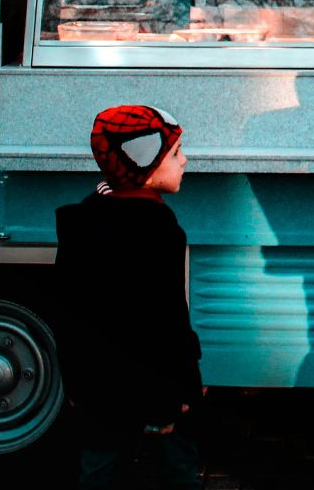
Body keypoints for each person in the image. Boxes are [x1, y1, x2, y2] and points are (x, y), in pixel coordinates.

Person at [54, 105, 203, 489]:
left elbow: (68, 313)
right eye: (175, 153)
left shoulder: (85, 218)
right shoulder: (160, 231)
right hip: (155, 389)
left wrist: (75, 385)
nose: (185, 160)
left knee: (98, 471)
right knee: (177, 469)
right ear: (145, 164)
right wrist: (182, 390)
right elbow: (168, 321)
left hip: (97, 392)